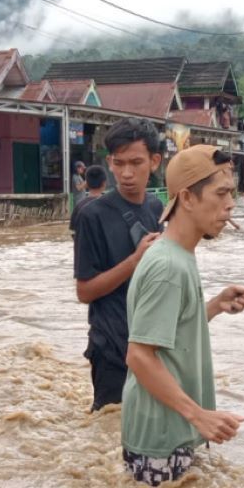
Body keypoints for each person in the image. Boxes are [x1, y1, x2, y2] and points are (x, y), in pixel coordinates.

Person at [121, 145, 244, 486]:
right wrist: (198, 415)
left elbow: (170, 334)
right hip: (160, 437)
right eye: (222, 193)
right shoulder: (168, 266)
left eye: (232, 194)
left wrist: (213, 306)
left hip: (171, 427)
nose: (231, 205)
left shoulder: (177, 254)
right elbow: (139, 356)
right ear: (187, 198)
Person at [73, 118, 165, 411]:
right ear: (110, 163)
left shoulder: (155, 207)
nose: (126, 173)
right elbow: (84, 291)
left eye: (136, 162)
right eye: (118, 163)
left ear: (154, 161)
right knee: (112, 431)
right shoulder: (92, 215)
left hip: (152, 342)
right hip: (111, 347)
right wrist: (135, 260)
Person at [69, 165, 108, 236]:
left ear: (87, 184)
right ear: (104, 184)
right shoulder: (110, 205)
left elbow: (74, 231)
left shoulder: (79, 207)